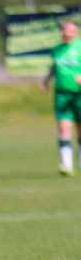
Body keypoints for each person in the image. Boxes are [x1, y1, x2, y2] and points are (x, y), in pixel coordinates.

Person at [40, 20, 81, 176]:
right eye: (65, 30)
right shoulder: (56, 49)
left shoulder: (80, 47)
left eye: (70, 31)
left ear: (75, 32)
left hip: (79, 95)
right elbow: (53, 66)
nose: (67, 33)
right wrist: (46, 80)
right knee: (63, 129)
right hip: (62, 94)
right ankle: (67, 165)